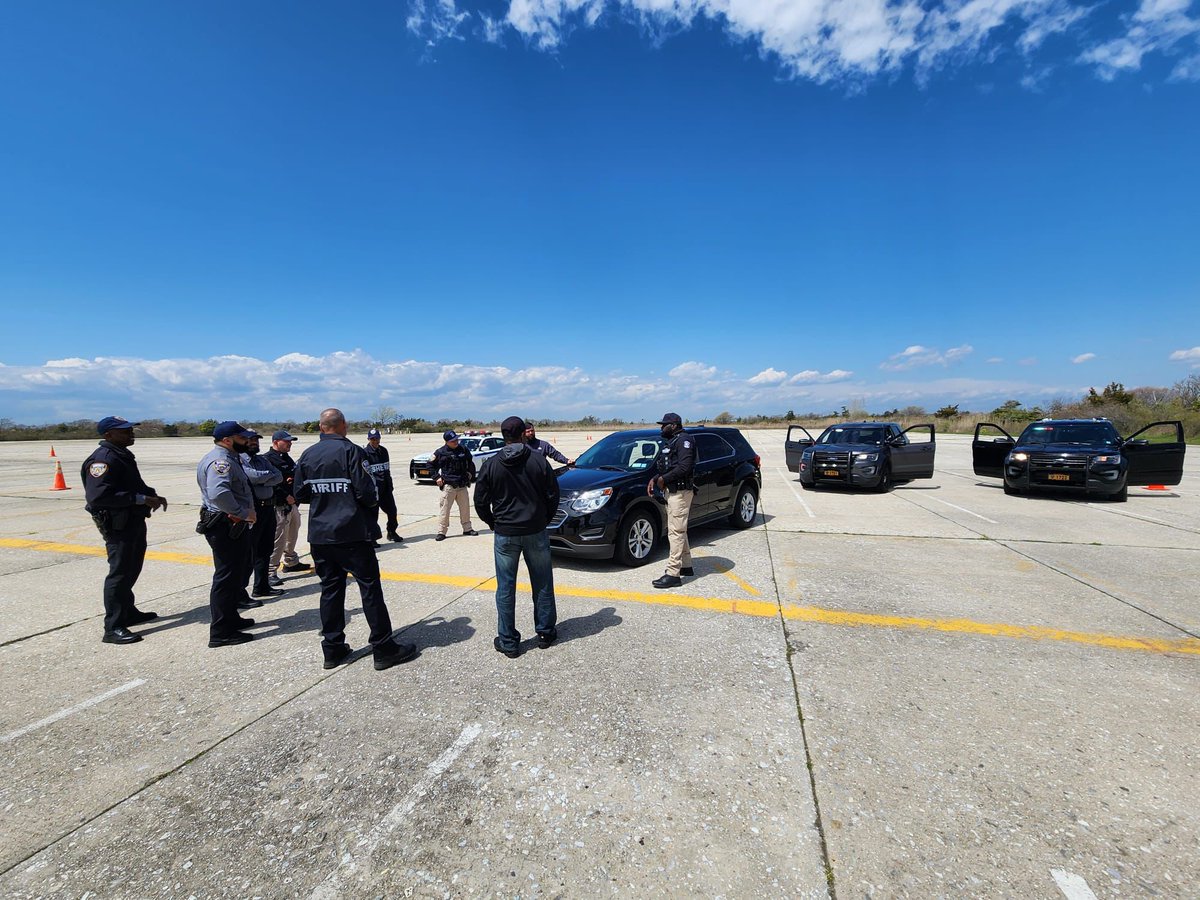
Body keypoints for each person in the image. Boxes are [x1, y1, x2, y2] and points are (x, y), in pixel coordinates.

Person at [293, 408, 415, 671]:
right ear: (343, 425)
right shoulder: (352, 452)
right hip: (351, 534)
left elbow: (300, 493)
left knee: (330, 590)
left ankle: (333, 648)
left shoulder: (308, 454)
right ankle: (383, 648)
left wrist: (325, 496)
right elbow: (368, 492)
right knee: (370, 589)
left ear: (320, 427)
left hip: (321, 536)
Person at [474, 416, 560, 658]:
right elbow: (554, 494)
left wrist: (493, 522)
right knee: (542, 582)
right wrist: (543, 520)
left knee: (505, 587)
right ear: (524, 433)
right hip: (535, 530)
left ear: (503, 436)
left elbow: (480, 501)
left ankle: (508, 641)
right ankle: (545, 632)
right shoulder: (538, 461)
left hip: (506, 533)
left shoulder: (491, 463)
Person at [81, 416, 168, 645]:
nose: (131, 434)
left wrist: (152, 494)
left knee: (131, 568)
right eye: (124, 431)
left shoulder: (122, 454)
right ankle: (113, 626)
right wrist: (140, 499)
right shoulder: (103, 459)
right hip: (118, 524)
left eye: (130, 430)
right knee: (119, 573)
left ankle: (127, 611)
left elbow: (133, 484)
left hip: (131, 520)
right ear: (107, 435)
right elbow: (99, 496)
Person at [197, 421, 260, 647]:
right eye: (242, 437)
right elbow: (219, 493)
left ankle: (231, 618)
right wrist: (242, 513)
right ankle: (221, 631)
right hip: (225, 525)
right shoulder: (220, 461)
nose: (247, 441)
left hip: (231, 524)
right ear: (227, 440)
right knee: (226, 577)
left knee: (234, 575)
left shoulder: (230, 458)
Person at [647, 412, 696, 589]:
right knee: (678, 529)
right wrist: (656, 478)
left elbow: (685, 467)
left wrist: (664, 479)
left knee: (675, 532)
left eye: (664, 425)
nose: (661, 428)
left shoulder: (685, 441)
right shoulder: (673, 441)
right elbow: (669, 465)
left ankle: (673, 573)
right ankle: (686, 564)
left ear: (673, 425)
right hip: (672, 491)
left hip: (680, 493)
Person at [240, 432, 286, 599]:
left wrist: (264, 477)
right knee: (249, 552)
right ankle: (240, 592)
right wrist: (268, 476)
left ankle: (261, 586)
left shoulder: (262, 460)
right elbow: (250, 477)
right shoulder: (240, 460)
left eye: (256, 440)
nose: (254, 443)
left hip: (268, 508)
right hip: (253, 510)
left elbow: (279, 476)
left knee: (265, 550)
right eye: (251, 440)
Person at [264, 429, 310, 587]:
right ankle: (270, 571)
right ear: (276, 442)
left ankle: (291, 562)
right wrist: (284, 496)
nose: (290, 444)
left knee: (293, 534)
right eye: (287, 441)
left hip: (292, 504)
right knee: (279, 539)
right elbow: (270, 483)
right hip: (279, 505)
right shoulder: (268, 459)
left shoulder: (286, 458)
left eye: (291, 441)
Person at [430, 430, 478, 542]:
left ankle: (467, 529)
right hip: (449, 486)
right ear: (447, 442)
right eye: (453, 441)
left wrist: (470, 474)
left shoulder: (463, 450)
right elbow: (430, 465)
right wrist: (436, 477)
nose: (456, 442)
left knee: (465, 509)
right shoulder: (440, 452)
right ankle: (441, 532)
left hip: (462, 485)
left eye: (456, 439)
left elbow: (470, 462)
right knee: (445, 510)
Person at [364, 427, 402, 542]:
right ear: (369, 439)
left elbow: (387, 469)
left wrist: (390, 485)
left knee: (392, 511)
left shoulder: (384, 451)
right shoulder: (365, 453)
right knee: (372, 514)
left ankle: (392, 532)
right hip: (374, 490)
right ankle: (372, 538)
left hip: (385, 488)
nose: (375, 441)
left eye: (377, 439)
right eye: (373, 439)